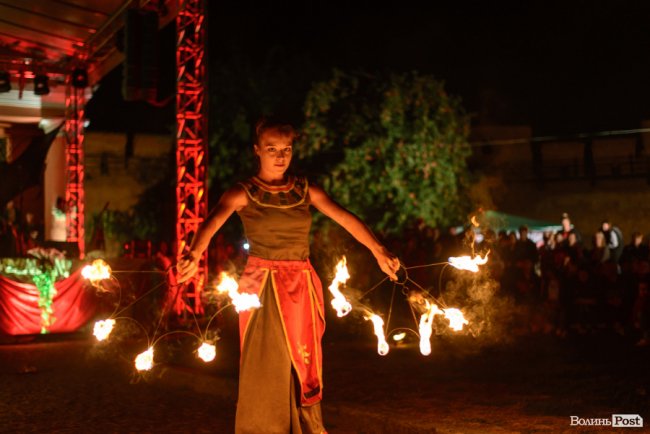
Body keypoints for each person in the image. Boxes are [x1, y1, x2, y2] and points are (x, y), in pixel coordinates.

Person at [176, 117, 400, 434]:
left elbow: (345, 218)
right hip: (260, 285)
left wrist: (379, 250)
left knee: (304, 358)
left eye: (286, 149)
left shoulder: (305, 190)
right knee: (266, 360)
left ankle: (309, 427)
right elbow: (210, 225)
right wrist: (193, 253)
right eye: (272, 149)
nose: (280, 156)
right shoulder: (243, 192)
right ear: (257, 151)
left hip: (301, 283)